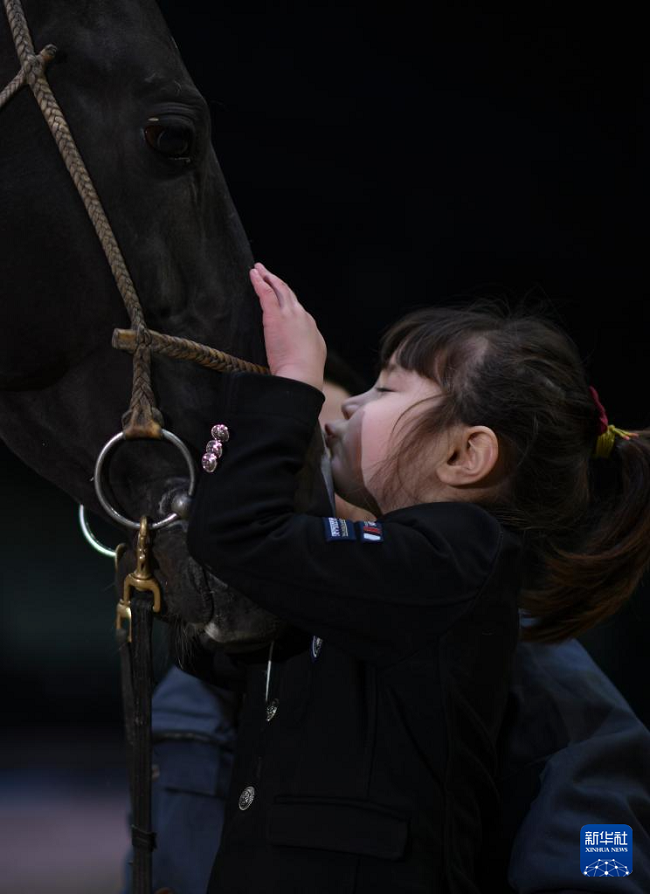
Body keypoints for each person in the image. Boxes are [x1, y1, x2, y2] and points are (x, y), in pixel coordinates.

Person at [179, 261, 650, 893]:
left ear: (464, 455)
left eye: (384, 391)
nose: (322, 423)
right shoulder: (371, 586)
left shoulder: (460, 567)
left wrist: (290, 385)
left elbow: (603, 844)